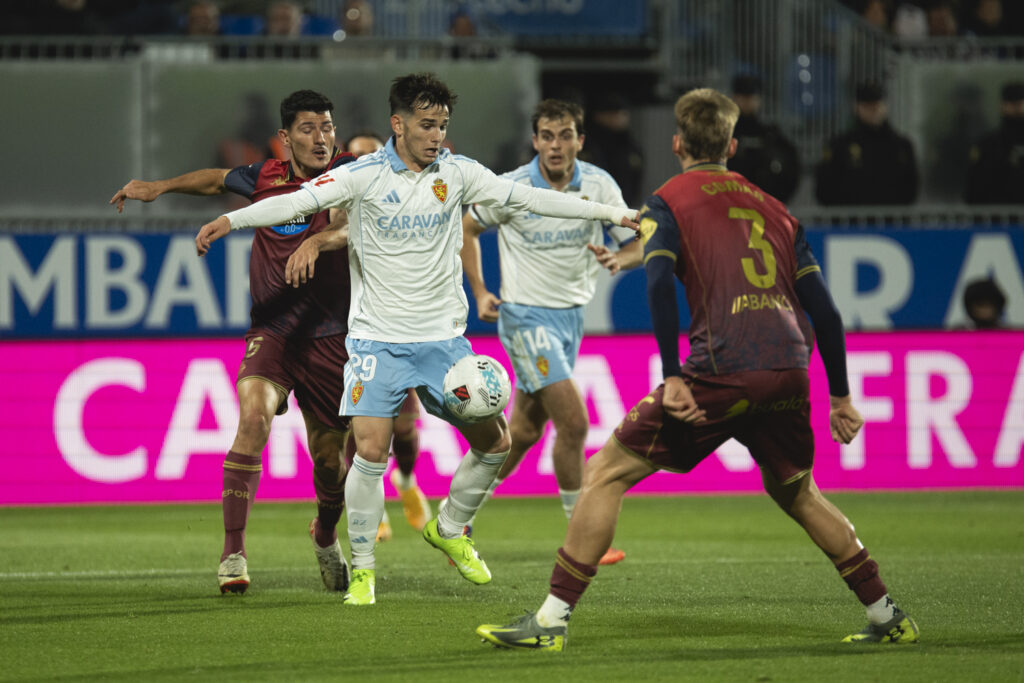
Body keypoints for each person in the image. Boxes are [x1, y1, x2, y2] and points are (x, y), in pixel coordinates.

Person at [476, 87, 919, 651]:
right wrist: (841, 396)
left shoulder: (670, 200)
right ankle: (886, 613)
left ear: (678, 143)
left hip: (720, 370)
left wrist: (674, 374)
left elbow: (659, 283)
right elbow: (825, 311)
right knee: (800, 492)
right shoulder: (777, 210)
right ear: (732, 145)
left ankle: (550, 621)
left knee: (606, 473)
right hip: (788, 368)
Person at [195, 72, 639, 607]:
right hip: (375, 342)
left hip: (443, 345)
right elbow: (291, 204)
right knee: (369, 451)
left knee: (495, 442)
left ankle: (450, 526)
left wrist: (614, 213)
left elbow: (532, 199)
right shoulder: (361, 175)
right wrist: (231, 219)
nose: (436, 135)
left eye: (443, 125)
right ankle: (363, 570)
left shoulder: (458, 174)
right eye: (427, 125)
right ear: (398, 124)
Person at [111, 90, 355, 597]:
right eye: (308, 129)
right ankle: (233, 552)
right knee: (253, 419)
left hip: (334, 336)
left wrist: (319, 239)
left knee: (331, 461)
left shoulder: (352, 174)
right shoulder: (264, 177)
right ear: (286, 139)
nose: (321, 137)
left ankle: (325, 533)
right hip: (273, 330)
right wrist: (159, 187)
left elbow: (359, 226)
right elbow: (213, 180)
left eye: (327, 127)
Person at [460, 99, 641, 565]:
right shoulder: (513, 187)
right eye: (547, 135)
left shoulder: (599, 184)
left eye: (565, 136)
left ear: (580, 140)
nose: (555, 145)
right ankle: (582, 538)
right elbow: (467, 228)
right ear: (535, 140)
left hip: (570, 319)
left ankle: (457, 516)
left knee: (521, 431)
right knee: (575, 424)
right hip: (524, 316)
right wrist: (480, 290)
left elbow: (637, 242)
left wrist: (621, 258)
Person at [341, 128, 433, 543]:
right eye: (354, 156)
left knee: (405, 428)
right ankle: (370, 509)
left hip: (396, 329)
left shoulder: (397, 209)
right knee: (357, 430)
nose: (363, 163)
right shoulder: (332, 202)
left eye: (371, 155)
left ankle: (408, 480)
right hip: (344, 332)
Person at [815, 81, 919, 206]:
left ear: (885, 106)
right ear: (856, 107)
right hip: (849, 223)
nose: (873, 110)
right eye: (867, 106)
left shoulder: (901, 146)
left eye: (877, 105)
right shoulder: (839, 145)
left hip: (892, 223)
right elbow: (825, 188)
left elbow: (911, 186)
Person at [728, 75, 801, 204]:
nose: (747, 102)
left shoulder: (770, 135)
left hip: (764, 208)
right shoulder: (723, 135)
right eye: (743, 97)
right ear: (734, 98)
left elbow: (790, 168)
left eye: (751, 97)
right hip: (730, 207)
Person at [578, 93, 645, 207]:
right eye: (614, 113)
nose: (621, 117)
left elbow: (635, 183)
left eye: (623, 113)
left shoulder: (630, 146)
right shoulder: (586, 145)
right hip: (590, 207)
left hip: (623, 207)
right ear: (599, 116)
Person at [965, 81, 1024, 204]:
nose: (1017, 107)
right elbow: (975, 188)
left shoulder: (988, 143)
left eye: (1020, 102)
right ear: (1002, 105)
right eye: (1011, 102)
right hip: (996, 218)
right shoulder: (989, 145)